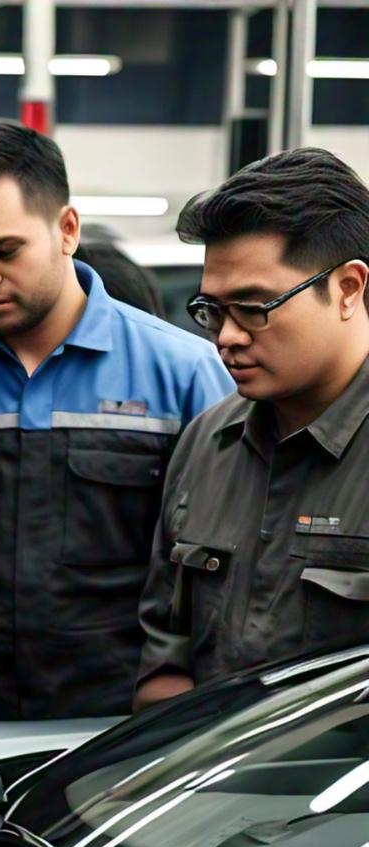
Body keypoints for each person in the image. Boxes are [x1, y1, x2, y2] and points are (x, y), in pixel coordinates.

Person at [0, 121, 234, 723]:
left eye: (5, 250)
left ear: (66, 230)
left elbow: (217, 576)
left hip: (120, 733)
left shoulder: (183, 375)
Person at [136, 148, 369, 707]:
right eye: (212, 310)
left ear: (348, 289)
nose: (227, 337)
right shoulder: (206, 443)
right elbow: (165, 652)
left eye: (254, 307)